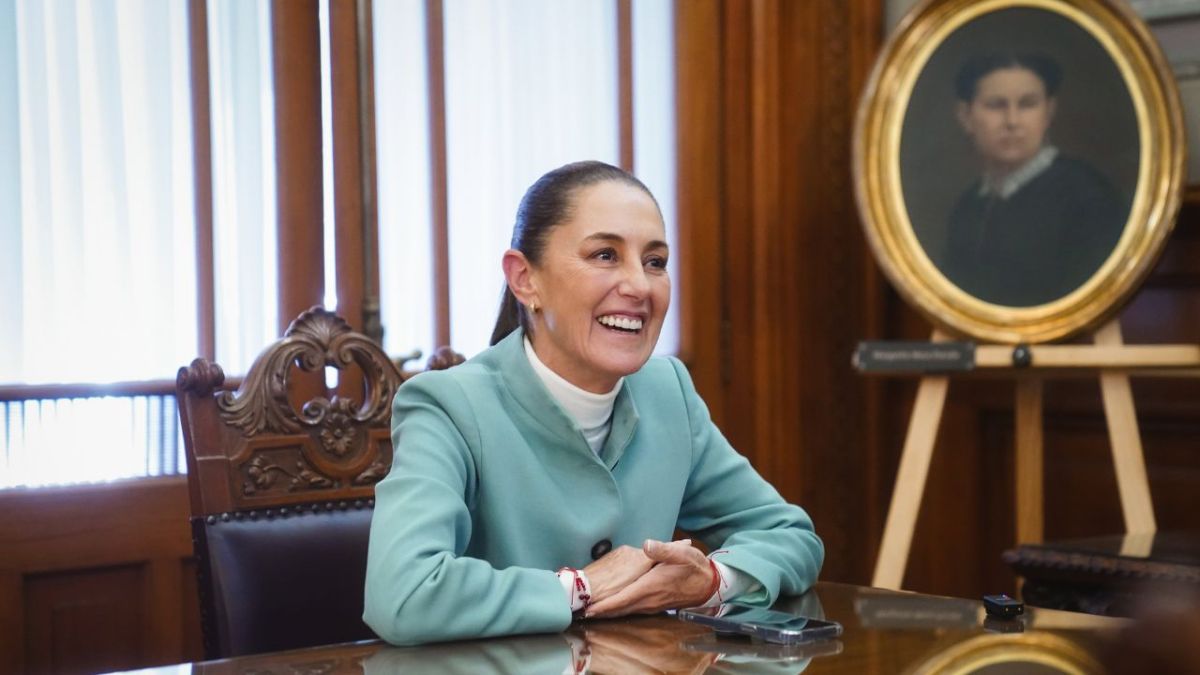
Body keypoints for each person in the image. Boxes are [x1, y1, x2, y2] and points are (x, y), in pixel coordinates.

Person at [363, 160, 824, 645]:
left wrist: (711, 580)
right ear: (525, 279)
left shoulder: (668, 390)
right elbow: (404, 594)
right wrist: (578, 587)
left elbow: (790, 534)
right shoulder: (448, 406)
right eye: (605, 255)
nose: (640, 286)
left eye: (655, 262)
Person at [939, 51, 1127, 307]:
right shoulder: (967, 206)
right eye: (996, 105)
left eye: (1027, 104)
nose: (1012, 121)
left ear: (1048, 112)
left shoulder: (1087, 196)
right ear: (965, 116)